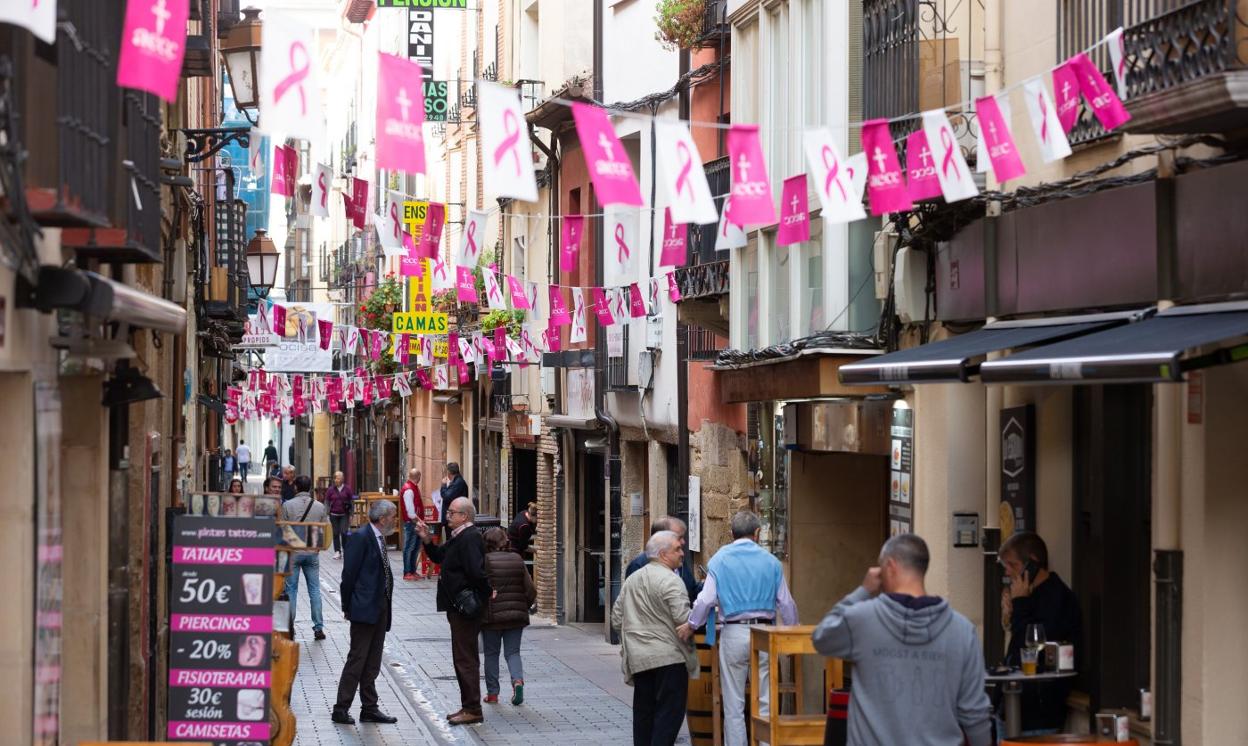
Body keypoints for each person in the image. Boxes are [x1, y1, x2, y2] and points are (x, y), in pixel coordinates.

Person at [811, 534, 992, 746]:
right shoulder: (962, 631)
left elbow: (822, 637)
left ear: (890, 566)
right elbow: (975, 713)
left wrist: (863, 590)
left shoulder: (863, 620)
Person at [679, 510, 797, 746]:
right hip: (765, 633)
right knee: (765, 699)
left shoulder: (720, 560)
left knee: (733, 703)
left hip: (733, 632)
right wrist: (793, 633)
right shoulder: (771, 562)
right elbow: (786, 602)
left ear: (731, 533)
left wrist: (692, 624)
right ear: (757, 533)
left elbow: (705, 600)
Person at [611, 530, 697, 746]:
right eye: (677, 549)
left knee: (644, 717)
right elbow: (682, 619)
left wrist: (632, 637)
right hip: (670, 659)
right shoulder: (671, 581)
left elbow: (616, 618)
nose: (682, 553)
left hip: (640, 659)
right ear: (662, 554)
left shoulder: (633, 580)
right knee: (668, 718)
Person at [998, 531, 1081, 735]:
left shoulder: (1057, 598)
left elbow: (1032, 647)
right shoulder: (1028, 593)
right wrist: (1010, 613)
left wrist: (1021, 605)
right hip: (1012, 705)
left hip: (1037, 712)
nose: (1008, 572)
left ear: (1032, 563)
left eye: (1013, 565)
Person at [416, 497, 489, 726]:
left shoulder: (470, 538)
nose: (447, 516)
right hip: (456, 606)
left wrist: (486, 592)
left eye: (452, 512)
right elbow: (439, 556)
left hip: (465, 608)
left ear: (464, 516)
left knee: (465, 658)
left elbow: (476, 572)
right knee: (462, 657)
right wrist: (427, 539)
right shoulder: (459, 537)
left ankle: (472, 708)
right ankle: (468, 705)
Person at [332, 500, 400, 726]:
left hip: (380, 607)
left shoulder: (380, 538)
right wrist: (347, 606)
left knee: (373, 660)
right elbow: (348, 575)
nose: (395, 520)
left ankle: (369, 707)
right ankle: (341, 708)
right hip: (363, 608)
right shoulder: (361, 538)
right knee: (358, 658)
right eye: (393, 516)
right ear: (383, 519)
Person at [481, 527, 536, 706]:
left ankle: (493, 694)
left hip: (492, 617)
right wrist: (523, 606)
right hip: (516, 616)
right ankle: (517, 681)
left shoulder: (485, 561)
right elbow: (530, 590)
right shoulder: (517, 559)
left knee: (491, 654)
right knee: (513, 652)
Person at [281, 475, 329, 641]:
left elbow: (283, 529)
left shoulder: (287, 505)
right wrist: (320, 547)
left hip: (293, 552)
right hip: (311, 552)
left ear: (296, 488)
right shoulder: (319, 507)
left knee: (291, 590)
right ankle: (318, 627)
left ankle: (290, 627)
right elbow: (327, 529)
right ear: (309, 488)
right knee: (315, 590)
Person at [625, 515, 700, 602]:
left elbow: (691, 590)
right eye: (679, 538)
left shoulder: (678, 559)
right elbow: (635, 604)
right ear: (662, 538)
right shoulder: (638, 566)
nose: (683, 542)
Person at [400, 468, 424, 581]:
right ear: (418, 477)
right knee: (409, 547)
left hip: (415, 522)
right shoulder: (409, 490)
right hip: (411, 523)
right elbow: (410, 512)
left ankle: (413, 571)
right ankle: (407, 572)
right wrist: (420, 521)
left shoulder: (412, 488)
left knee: (415, 548)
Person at [324, 471, 355, 560]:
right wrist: (327, 512)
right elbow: (326, 501)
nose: (337, 480)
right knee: (335, 533)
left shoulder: (347, 489)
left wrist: (351, 514)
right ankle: (337, 551)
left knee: (344, 532)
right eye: (336, 478)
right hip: (333, 514)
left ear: (342, 479)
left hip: (344, 514)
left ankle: (345, 550)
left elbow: (351, 501)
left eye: (339, 478)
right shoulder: (330, 489)